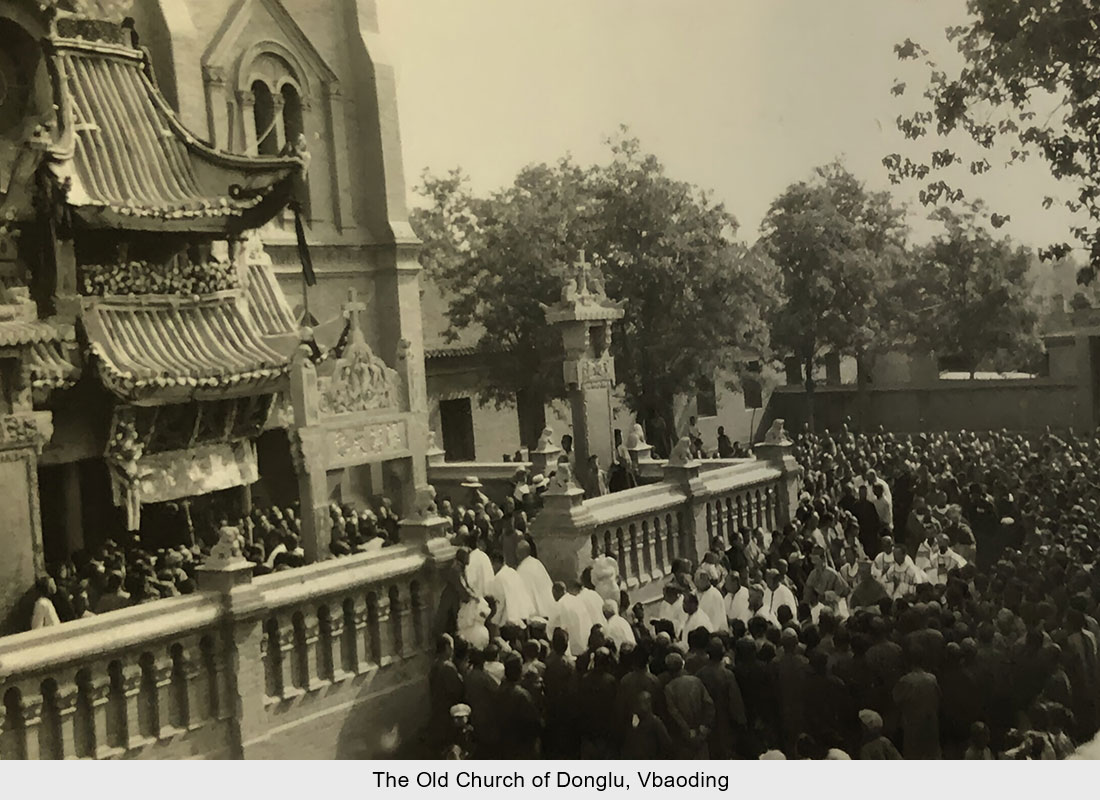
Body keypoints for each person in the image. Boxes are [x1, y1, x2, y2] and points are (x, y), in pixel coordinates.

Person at [696, 638, 747, 758]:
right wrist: (741, 720)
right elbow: (735, 701)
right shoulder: (727, 675)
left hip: (706, 721)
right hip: (725, 721)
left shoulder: (700, 674)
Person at [663, 652, 715, 759]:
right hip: (701, 734)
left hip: (683, 740)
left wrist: (688, 731)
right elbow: (709, 705)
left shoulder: (669, 688)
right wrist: (704, 726)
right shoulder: (696, 681)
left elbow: (675, 714)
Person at [892, 652, 942, 759]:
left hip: (912, 723)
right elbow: (939, 697)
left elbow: (895, 699)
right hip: (930, 721)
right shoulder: (932, 679)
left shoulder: (906, 680)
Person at [549, 581, 595, 657]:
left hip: (571, 648)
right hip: (585, 643)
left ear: (555, 592)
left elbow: (551, 626)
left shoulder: (559, 604)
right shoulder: (576, 600)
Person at [620, 691, 672, 759]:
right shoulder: (634, 720)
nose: (638, 706)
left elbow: (666, 743)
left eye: (641, 703)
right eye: (638, 703)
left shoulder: (655, 722)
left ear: (648, 704)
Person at [515, 540, 556, 618]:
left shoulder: (522, 569)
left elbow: (522, 595)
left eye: (517, 552)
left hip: (535, 615)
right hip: (549, 611)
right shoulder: (537, 563)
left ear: (519, 553)